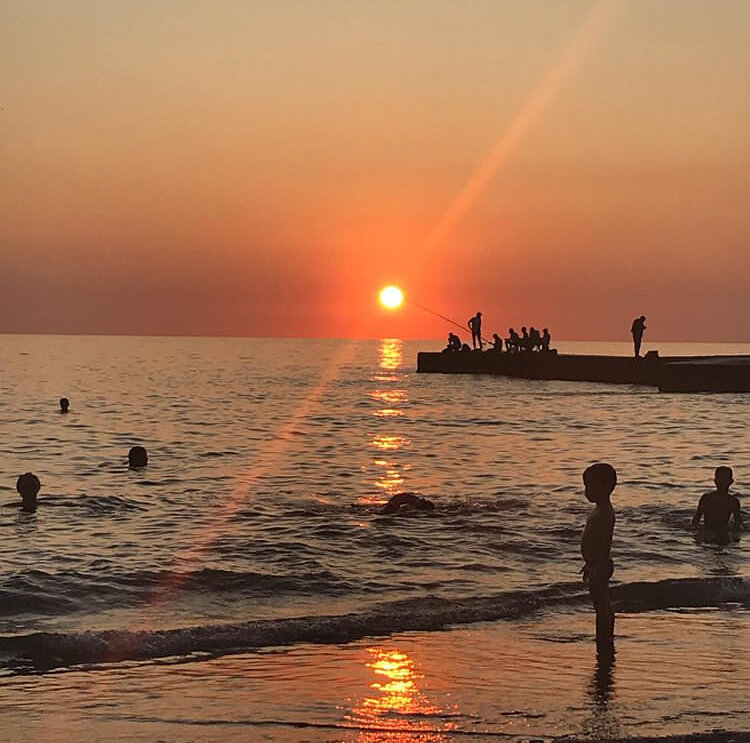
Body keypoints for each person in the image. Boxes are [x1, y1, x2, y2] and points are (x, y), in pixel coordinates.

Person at [580, 462, 617, 658]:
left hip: (600, 565)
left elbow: (604, 542)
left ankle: (604, 637)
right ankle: (603, 634)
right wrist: (589, 563)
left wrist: (598, 563)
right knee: (600, 603)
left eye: (591, 487)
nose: (587, 492)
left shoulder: (605, 513)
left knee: (601, 604)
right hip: (596, 564)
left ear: (605, 488)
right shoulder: (599, 510)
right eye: (586, 487)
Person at [691, 466, 742, 532]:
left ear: (715, 481)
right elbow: (738, 524)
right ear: (731, 482)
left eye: (724, 479)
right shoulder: (733, 501)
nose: (722, 482)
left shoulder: (706, 498)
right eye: (721, 479)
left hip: (707, 531)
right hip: (723, 532)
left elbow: (695, 521)